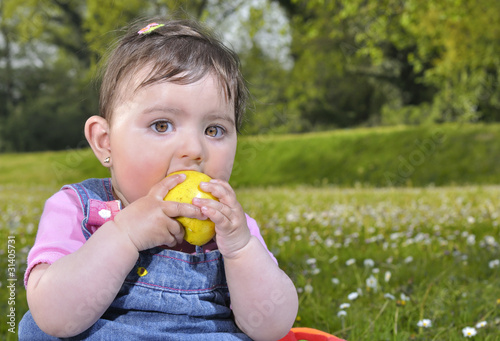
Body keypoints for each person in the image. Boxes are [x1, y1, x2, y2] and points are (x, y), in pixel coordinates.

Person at [19, 18, 298, 340]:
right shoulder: (80, 210)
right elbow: (54, 318)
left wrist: (239, 250)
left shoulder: (233, 229)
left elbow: (271, 328)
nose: (194, 150)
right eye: (162, 125)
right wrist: (124, 234)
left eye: (214, 130)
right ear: (105, 141)